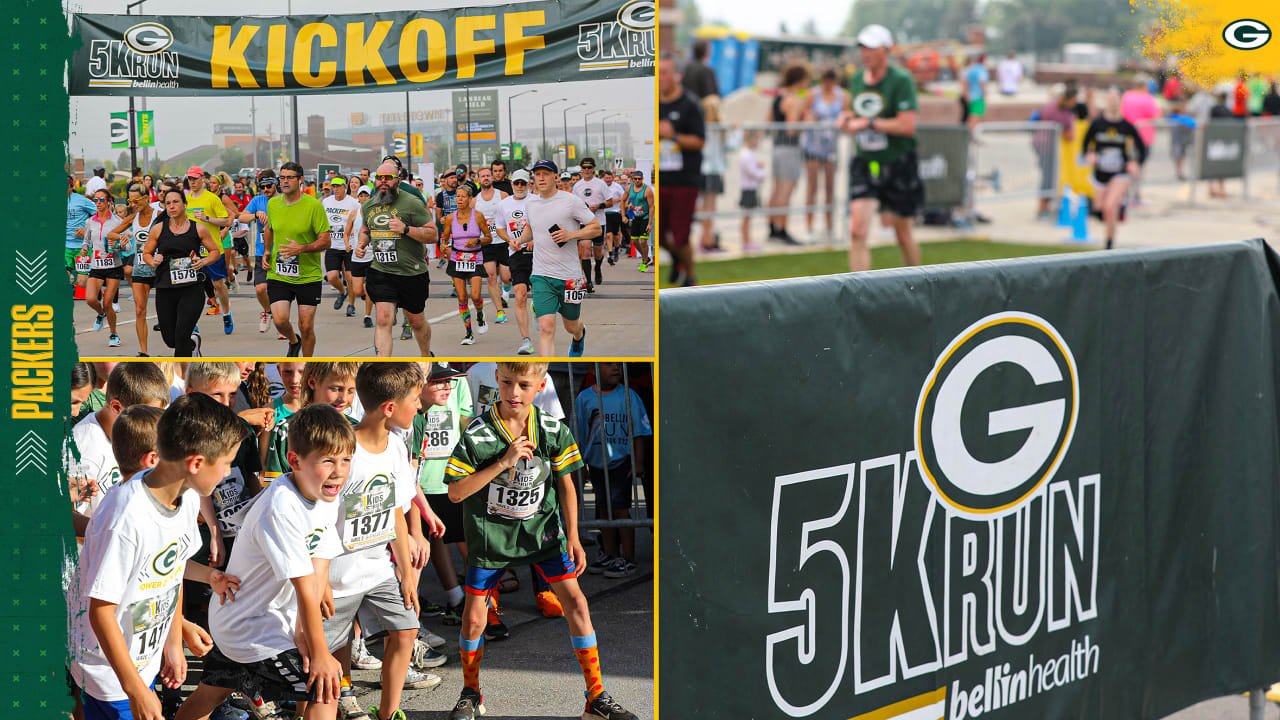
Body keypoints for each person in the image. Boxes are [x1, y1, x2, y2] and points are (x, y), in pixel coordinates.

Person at [443, 361, 638, 720]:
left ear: (541, 385)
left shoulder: (552, 429)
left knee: (577, 604)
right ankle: (470, 692)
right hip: (492, 537)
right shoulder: (478, 434)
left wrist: (575, 537)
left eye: (523, 384)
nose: (513, 392)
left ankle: (595, 697)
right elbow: (455, 493)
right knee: (474, 619)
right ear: (496, 380)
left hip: (543, 533)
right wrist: (503, 463)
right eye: (506, 383)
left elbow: (566, 483)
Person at [69, 392, 245, 720]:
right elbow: (101, 612)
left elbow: (170, 566)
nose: (227, 472)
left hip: (141, 660)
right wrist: (134, 688)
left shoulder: (187, 496)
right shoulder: (125, 519)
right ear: (195, 464)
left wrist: (176, 633)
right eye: (226, 462)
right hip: (109, 673)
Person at [174, 404, 349, 720]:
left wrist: (303, 630)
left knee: (209, 694)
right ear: (294, 460)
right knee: (326, 686)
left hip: (251, 617)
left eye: (346, 459)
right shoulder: (281, 507)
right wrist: (320, 651)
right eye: (328, 461)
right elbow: (304, 586)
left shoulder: (325, 491)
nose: (338, 470)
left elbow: (318, 560)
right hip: (251, 626)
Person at [325, 363, 445, 720]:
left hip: (379, 569)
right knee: (333, 650)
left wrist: (406, 575)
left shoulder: (394, 444)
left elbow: (394, 509)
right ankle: (325, 707)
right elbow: (318, 516)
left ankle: (388, 713)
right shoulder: (343, 451)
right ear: (390, 408)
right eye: (413, 400)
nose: (419, 406)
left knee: (406, 630)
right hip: (337, 573)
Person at [837, 24, 924, 272]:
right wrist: (846, 119)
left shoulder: (901, 80)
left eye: (872, 48)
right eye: (863, 48)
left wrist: (868, 123)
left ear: (887, 50)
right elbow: (855, 111)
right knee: (857, 229)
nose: (866, 53)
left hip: (899, 160)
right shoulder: (856, 79)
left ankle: (916, 287)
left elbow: (907, 125)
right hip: (866, 161)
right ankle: (859, 295)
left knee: (903, 233)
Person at [512, 160, 597, 357]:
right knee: (546, 327)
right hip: (542, 275)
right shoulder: (531, 202)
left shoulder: (571, 201)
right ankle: (545, 372)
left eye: (546, 174)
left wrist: (571, 235)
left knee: (571, 325)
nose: (541, 178)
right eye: (537, 174)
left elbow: (595, 228)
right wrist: (520, 240)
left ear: (555, 177)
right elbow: (532, 227)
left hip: (570, 276)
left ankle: (579, 335)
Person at [575, 362, 651, 580]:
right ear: (593, 370)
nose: (615, 368)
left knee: (620, 510)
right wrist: (581, 466)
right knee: (603, 510)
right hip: (596, 464)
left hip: (621, 462)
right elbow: (578, 434)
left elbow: (639, 431)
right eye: (608, 365)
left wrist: (638, 462)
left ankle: (628, 558)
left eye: (618, 364)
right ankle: (609, 553)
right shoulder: (584, 399)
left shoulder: (629, 396)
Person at [66, 362, 170, 520]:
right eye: (146, 418)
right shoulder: (84, 444)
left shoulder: (137, 437)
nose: (154, 425)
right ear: (116, 407)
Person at [355, 160, 437, 357]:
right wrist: (361, 244)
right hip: (382, 270)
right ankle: (383, 365)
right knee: (383, 318)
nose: (383, 182)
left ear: (398, 180)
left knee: (416, 320)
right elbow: (367, 229)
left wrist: (406, 229)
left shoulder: (412, 203)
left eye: (388, 178)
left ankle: (426, 356)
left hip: (411, 271)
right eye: (379, 178)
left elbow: (433, 234)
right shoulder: (369, 205)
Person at [413, 362, 473, 626]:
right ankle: (414, 617)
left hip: (451, 482)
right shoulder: (411, 416)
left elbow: (466, 425)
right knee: (420, 549)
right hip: (419, 488)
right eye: (438, 381)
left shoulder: (456, 390)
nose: (446, 386)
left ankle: (475, 602)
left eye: (450, 381)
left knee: (467, 541)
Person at [142, 189, 223, 356]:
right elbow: (146, 254)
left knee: (180, 337)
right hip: (165, 288)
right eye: (168, 203)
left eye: (175, 202)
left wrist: (203, 261)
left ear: (184, 205)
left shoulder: (198, 229)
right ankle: (192, 343)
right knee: (170, 339)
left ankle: (181, 376)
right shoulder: (158, 229)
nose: (171, 206)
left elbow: (215, 251)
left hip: (191, 289)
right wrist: (153, 261)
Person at [264, 162, 332, 357]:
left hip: (307, 275)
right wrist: (267, 251)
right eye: (282, 177)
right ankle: (294, 342)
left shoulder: (313, 206)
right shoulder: (273, 204)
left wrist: (301, 249)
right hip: (279, 272)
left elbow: (326, 241)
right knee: (279, 320)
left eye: (289, 177)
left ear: (300, 180)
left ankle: (307, 364)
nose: (284, 181)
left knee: (306, 325)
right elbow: (269, 229)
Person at [658, 51, 706, 286]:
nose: (660, 78)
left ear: (677, 75)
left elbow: (699, 141)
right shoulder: (653, 104)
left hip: (685, 181)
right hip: (661, 181)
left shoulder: (690, 105)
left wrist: (673, 135)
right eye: (657, 73)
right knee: (656, 233)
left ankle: (691, 276)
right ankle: (677, 258)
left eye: (664, 73)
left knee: (681, 234)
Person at [1082, 88, 1146, 249]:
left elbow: (1142, 148)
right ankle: (1118, 209)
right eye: (1110, 98)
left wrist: (1135, 163)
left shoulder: (1127, 126)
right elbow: (1085, 144)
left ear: (1120, 101)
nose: (1112, 101)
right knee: (1101, 209)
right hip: (1101, 172)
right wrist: (1089, 155)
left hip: (1120, 173)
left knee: (1110, 207)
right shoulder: (1097, 124)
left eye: (1115, 98)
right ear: (1106, 101)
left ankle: (1109, 245)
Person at [183, 167, 235, 335]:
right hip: (192, 252)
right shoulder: (185, 199)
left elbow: (226, 220)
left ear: (202, 180)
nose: (192, 181)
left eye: (195, 178)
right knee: (192, 287)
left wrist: (207, 219)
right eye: (189, 179)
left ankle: (226, 314)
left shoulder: (212, 199)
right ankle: (192, 321)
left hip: (212, 250)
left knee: (218, 284)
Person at [111, 184, 162, 356]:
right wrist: (125, 236)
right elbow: (111, 234)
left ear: (146, 198)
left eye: (136, 200)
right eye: (130, 200)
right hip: (140, 270)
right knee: (140, 310)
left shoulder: (160, 216)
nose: (133, 204)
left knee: (167, 311)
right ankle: (144, 352)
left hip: (159, 268)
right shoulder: (133, 218)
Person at [442, 180, 492, 346]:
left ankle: (480, 314)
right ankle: (469, 333)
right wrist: (443, 245)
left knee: (476, 295)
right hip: (457, 259)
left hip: (474, 259)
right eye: (457, 196)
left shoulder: (478, 216)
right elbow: (446, 236)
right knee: (462, 297)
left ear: (470, 198)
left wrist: (476, 240)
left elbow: (488, 238)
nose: (460, 199)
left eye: (463, 196)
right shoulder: (450, 218)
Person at [802, 69, 848, 242]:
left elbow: (847, 114)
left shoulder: (842, 96)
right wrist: (810, 118)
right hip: (813, 146)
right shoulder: (813, 94)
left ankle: (829, 228)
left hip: (831, 148)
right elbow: (805, 113)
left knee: (830, 188)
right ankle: (809, 228)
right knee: (812, 188)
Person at [494, 169, 537, 354]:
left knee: (539, 293)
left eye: (523, 183)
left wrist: (535, 240)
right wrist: (509, 240)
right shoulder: (504, 204)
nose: (520, 186)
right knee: (520, 295)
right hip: (516, 253)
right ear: (512, 184)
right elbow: (500, 228)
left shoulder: (536, 201)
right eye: (517, 183)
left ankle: (538, 308)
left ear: (529, 184)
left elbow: (545, 224)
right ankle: (526, 340)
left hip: (538, 253)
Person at [81, 189, 126, 348]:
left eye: (101, 199)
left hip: (113, 266)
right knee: (91, 299)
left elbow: (127, 247)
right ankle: (101, 314)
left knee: (108, 303)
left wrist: (118, 246)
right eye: (95, 200)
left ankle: (114, 335)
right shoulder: (89, 222)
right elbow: (86, 241)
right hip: (96, 266)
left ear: (108, 201)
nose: (98, 202)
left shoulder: (117, 222)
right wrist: (85, 249)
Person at [237, 171, 278, 335]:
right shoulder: (258, 200)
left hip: (281, 253)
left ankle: (282, 322)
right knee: (261, 289)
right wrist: (255, 214)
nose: (266, 189)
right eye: (262, 186)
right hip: (262, 253)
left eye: (269, 185)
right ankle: (269, 312)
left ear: (276, 183)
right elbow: (241, 218)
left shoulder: (284, 200)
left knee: (280, 292)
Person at [1033, 84, 1079, 218]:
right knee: (1048, 178)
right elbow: (1070, 136)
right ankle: (1042, 208)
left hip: (1040, 143)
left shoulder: (1052, 105)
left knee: (1047, 176)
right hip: (1048, 146)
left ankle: (1044, 207)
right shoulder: (1064, 112)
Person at [474, 167, 511, 323]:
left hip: (503, 241)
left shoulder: (503, 196)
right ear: (478, 180)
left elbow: (511, 216)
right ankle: (500, 312)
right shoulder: (474, 201)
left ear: (492, 178)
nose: (486, 178)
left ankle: (506, 291)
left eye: (488, 175)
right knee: (490, 277)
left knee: (507, 277)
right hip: (486, 243)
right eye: (483, 176)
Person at [322, 177, 360, 315]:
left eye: (338, 186)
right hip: (332, 245)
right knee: (332, 277)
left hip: (348, 245)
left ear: (345, 187)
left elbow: (359, 221)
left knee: (349, 277)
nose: (336, 189)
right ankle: (342, 292)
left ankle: (351, 305)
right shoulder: (326, 202)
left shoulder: (353, 203)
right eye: (334, 187)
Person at [572, 157, 611, 290]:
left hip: (599, 222)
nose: (587, 170)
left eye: (589, 167)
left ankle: (598, 268)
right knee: (586, 251)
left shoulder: (601, 184)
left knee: (598, 252)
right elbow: (573, 204)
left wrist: (598, 206)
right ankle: (588, 281)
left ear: (593, 168)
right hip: (584, 223)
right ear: (581, 169)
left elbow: (610, 202)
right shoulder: (577, 186)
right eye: (584, 168)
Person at [348, 184, 376, 328]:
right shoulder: (354, 213)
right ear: (358, 198)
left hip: (372, 256)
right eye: (361, 196)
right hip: (357, 256)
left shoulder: (375, 213)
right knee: (357, 291)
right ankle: (371, 294)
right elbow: (347, 232)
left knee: (369, 287)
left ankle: (367, 316)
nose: (364, 198)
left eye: (366, 195)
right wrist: (348, 244)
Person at [738, 130, 765, 251]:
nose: (758, 142)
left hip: (751, 188)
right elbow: (752, 173)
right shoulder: (746, 154)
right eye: (757, 139)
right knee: (746, 217)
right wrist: (762, 171)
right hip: (748, 189)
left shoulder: (749, 154)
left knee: (749, 217)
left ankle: (748, 240)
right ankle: (746, 241)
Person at [622, 170, 653, 272]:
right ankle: (646, 257)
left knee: (644, 241)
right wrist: (623, 215)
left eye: (639, 179)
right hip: (635, 217)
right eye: (635, 179)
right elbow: (622, 201)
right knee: (635, 241)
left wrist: (649, 223)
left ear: (642, 179)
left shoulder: (647, 190)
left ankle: (644, 262)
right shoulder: (629, 188)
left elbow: (651, 207)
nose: (637, 180)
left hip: (645, 217)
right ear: (632, 179)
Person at [601, 168, 627, 264]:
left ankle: (616, 249)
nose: (608, 180)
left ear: (612, 178)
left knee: (616, 234)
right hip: (604, 213)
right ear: (603, 178)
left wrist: (615, 200)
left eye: (610, 178)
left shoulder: (617, 187)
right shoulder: (601, 186)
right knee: (608, 234)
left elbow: (624, 198)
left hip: (615, 212)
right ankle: (610, 253)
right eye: (606, 178)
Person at [963, 54, 988, 133]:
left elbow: (966, 82)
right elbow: (982, 82)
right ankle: (969, 136)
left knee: (971, 118)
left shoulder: (972, 69)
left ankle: (969, 135)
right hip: (978, 96)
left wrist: (967, 93)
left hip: (972, 96)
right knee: (975, 118)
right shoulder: (981, 69)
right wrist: (985, 93)